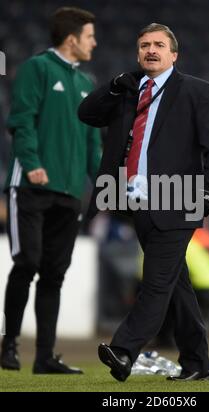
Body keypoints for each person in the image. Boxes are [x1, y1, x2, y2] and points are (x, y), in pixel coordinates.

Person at [78, 23, 209, 382]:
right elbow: (86, 113)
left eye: (159, 45)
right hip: (137, 203)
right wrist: (114, 85)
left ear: (173, 55)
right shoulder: (128, 92)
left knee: (157, 282)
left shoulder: (198, 91)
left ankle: (124, 349)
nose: (151, 50)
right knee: (176, 285)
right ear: (137, 53)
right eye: (144, 45)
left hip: (179, 200)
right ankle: (198, 363)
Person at [0, 7, 101, 374]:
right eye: (90, 35)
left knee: (54, 273)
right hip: (31, 185)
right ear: (72, 38)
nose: (94, 42)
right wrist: (31, 162)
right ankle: (9, 343)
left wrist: (103, 181)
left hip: (70, 191)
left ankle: (45, 357)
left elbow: (94, 143)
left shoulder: (88, 83)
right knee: (27, 261)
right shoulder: (36, 68)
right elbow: (21, 119)